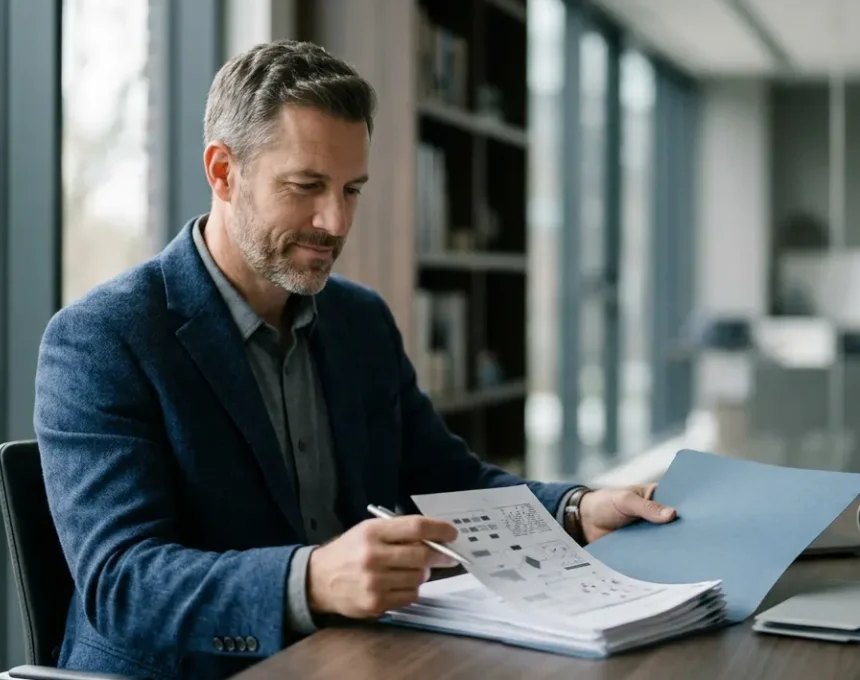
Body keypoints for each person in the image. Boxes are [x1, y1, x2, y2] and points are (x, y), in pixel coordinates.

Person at [34, 39, 676, 680]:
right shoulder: (101, 338)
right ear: (223, 172)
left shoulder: (358, 320)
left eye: (352, 189)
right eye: (306, 186)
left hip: (351, 658)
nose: (335, 221)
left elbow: (450, 482)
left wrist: (577, 509)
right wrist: (310, 579)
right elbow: (122, 581)